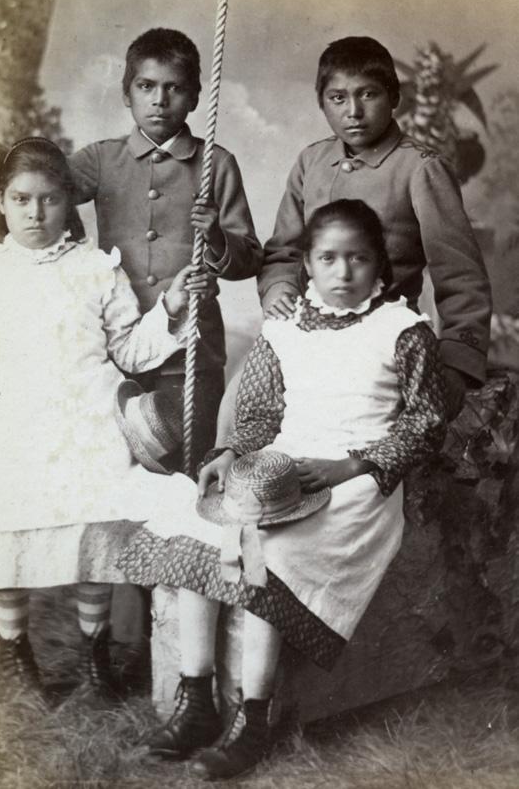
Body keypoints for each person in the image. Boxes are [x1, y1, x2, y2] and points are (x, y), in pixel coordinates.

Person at [0, 26, 262, 680]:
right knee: (122, 492)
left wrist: (220, 241)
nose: (159, 100)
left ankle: (170, 645)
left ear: (194, 96)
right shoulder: (102, 159)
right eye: (146, 86)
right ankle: (127, 641)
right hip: (118, 357)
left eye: (174, 89)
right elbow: (33, 178)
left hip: (183, 348)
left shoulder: (216, 164)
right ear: (127, 93)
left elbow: (250, 255)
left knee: (177, 489)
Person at [109, 199, 448, 780]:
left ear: (380, 267)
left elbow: (426, 422)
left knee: (270, 552)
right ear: (307, 266)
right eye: (328, 258)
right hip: (279, 466)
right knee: (204, 526)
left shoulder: (404, 330)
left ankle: (255, 716)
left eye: (359, 259)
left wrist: (353, 466)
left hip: (356, 479)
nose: (343, 273)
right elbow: (261, 413)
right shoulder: (285, 329)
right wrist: (228, 454)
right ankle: (196, 700)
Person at [0, 137, 210, 705]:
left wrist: (172, 309)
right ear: (2, 204)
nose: (36, 213)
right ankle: (16, 652)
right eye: (22, 199)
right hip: (20, 423)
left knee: (94, 531)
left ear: (69, 204)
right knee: (4, 523)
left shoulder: (94, 269)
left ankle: (94, 652)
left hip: (88, 418)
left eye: (50, 200)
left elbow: (131, 352)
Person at [258, 36, 492, 419]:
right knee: (245, 402)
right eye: (337, 99)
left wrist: (456, 364)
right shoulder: (311, 162)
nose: (353, 111)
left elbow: (460, 275)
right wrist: (279, 288)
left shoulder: (420, 168)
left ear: (394, 97)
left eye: (368, 95)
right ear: (322, 104)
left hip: (385, 342)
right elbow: (283, 250)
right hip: (311, 336)